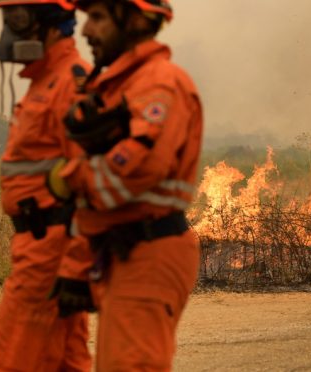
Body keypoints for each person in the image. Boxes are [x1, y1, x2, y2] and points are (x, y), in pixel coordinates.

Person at [46, 0, 203, 369]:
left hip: (149, 255)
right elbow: (99, 206)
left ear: (134, 20)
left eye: (98, 18)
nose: (85, 31)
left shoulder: (159, 82)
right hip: (122, 252)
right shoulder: (121, 86)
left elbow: (137, 171)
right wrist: (75, 267)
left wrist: (69, 177)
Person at [0, 1, 93, 370]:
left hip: (50, 250)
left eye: (18, 19)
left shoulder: (71, 82)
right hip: (41, 244)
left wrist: (76, 264)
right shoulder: (44, 81)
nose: (10, 31)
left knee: (8, 360)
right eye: (7, 19)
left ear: (52, 23)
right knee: (66, 360)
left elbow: (91, 182)